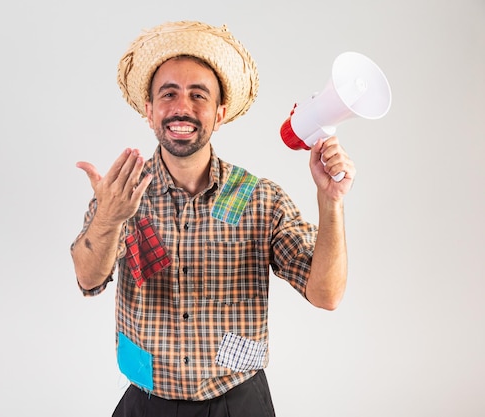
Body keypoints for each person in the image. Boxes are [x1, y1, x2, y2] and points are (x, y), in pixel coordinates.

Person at [70, 21, 355, 417]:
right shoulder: (120, 196)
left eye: (198, 95)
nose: (182, 107)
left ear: (219, 114)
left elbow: (326, 294)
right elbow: (88, 278)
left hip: (238, 402)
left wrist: (331, 200)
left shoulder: (260, 199)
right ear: (149, 111)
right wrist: (108, 219)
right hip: (147, 402)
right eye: (168, 94)